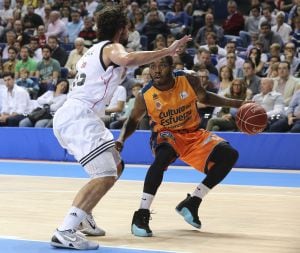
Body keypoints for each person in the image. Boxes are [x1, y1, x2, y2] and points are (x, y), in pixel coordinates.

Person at [51, 5, 191, 250]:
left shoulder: (94, 50)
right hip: (79, 116)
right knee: (105, 174)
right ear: (121, 29)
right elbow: (127, 58)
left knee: (116, 165)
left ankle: (84, 218)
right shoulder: (112, 47)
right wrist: (166, 51)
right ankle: (66, 229)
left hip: (75, 115)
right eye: (126, 26)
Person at [115, 55, 245, 237]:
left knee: (229, 155)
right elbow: (132, 120)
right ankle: (141, 213)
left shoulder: (188, 80)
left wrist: (238, 104)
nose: (156, 70)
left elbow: (205, 97)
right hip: (166, 134)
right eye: (152, 66)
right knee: (162, 157)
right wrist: (121, 139)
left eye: (161, 65)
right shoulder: (144, 95)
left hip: (193, 134)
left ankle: (192, 202)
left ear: (172, 67)